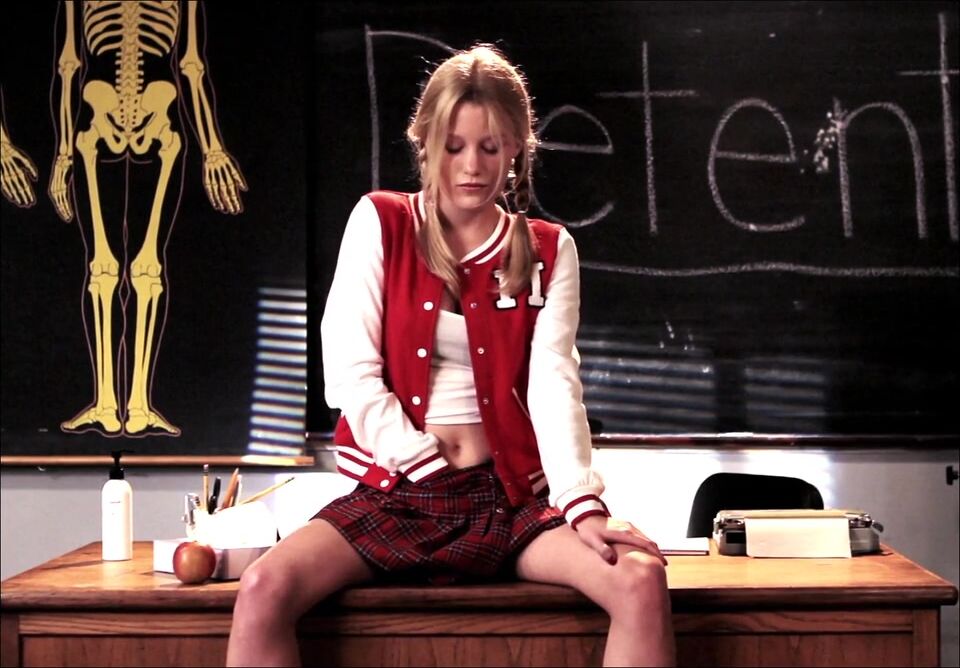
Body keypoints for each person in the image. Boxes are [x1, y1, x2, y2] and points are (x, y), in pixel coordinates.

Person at [227, 44, 675, 667]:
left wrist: (581, 501)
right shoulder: (380, 221)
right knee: (262, 588)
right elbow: (349, 370)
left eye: (490, 147)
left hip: (508, 496)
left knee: (640, 580)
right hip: (398, 489)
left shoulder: (549, 249)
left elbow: (554, 383)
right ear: (426, 143)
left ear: (515, 147)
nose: (471, 167)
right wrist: (418, 460)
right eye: (454, 146)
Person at [48, 0, 246, 436]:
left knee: (147, 268)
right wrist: (63, 154)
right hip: (96, 124)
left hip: (159, 124)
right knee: (102, 269)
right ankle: (105, 403)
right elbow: (69, 65)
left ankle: (138, 406)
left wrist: (213, 149)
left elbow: (191, 66)